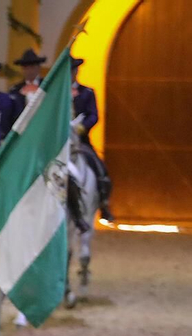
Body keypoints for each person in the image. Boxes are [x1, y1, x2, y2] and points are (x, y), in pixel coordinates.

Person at [69, 56, 114, 221]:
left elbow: (93, 115)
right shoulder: (57, 97)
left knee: (99, 167)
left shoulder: (86, 92)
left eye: (73, 71)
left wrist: (82, 127)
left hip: (80, 139)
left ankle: (104, 201)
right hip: (62, 141)